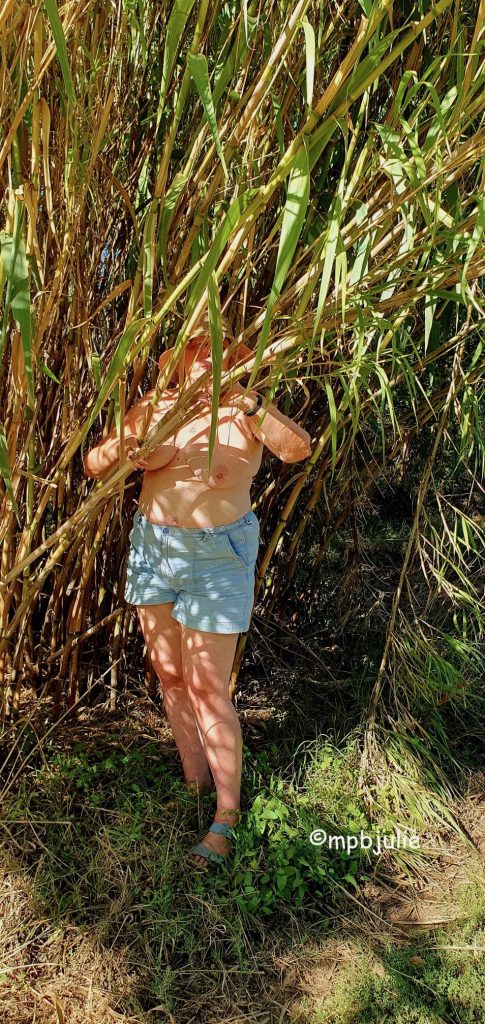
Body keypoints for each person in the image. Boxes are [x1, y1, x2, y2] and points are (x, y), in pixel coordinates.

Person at [84, 317, 312, 870]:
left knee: (209, 688)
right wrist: (127, 447)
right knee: (169, 675)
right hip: (153, 551)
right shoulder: (154, 406)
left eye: (216, 352)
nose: (202, 360)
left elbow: (297, 449)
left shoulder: (243, 409)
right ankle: (193, 784)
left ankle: (226, 819)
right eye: (192, 351)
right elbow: (94, 463)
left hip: (218, 557)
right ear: (175, 362)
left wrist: (250, 402)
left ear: (234, 357)